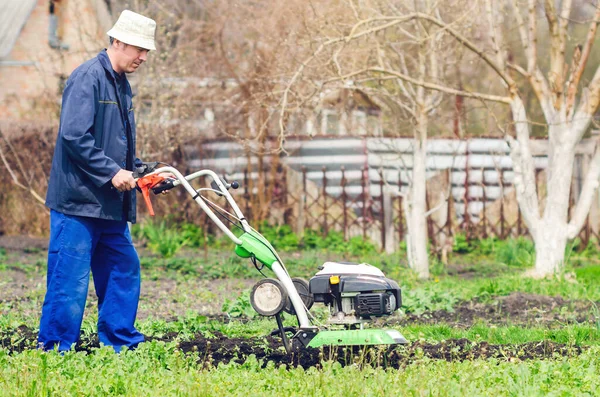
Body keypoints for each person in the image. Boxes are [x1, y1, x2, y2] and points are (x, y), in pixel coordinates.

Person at [39, 10, 157, 352]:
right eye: (139, 48)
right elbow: (75, 137)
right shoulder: (87, 77)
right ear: (118, 41)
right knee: (69, 281)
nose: (143, 57)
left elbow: (115, 146)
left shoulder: (122, 85)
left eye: (146, 50)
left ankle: (120, 343)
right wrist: (112, 172)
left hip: (110, 206)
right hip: (77, 203)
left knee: (123, 270)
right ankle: (55, 350)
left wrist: (141, 172)